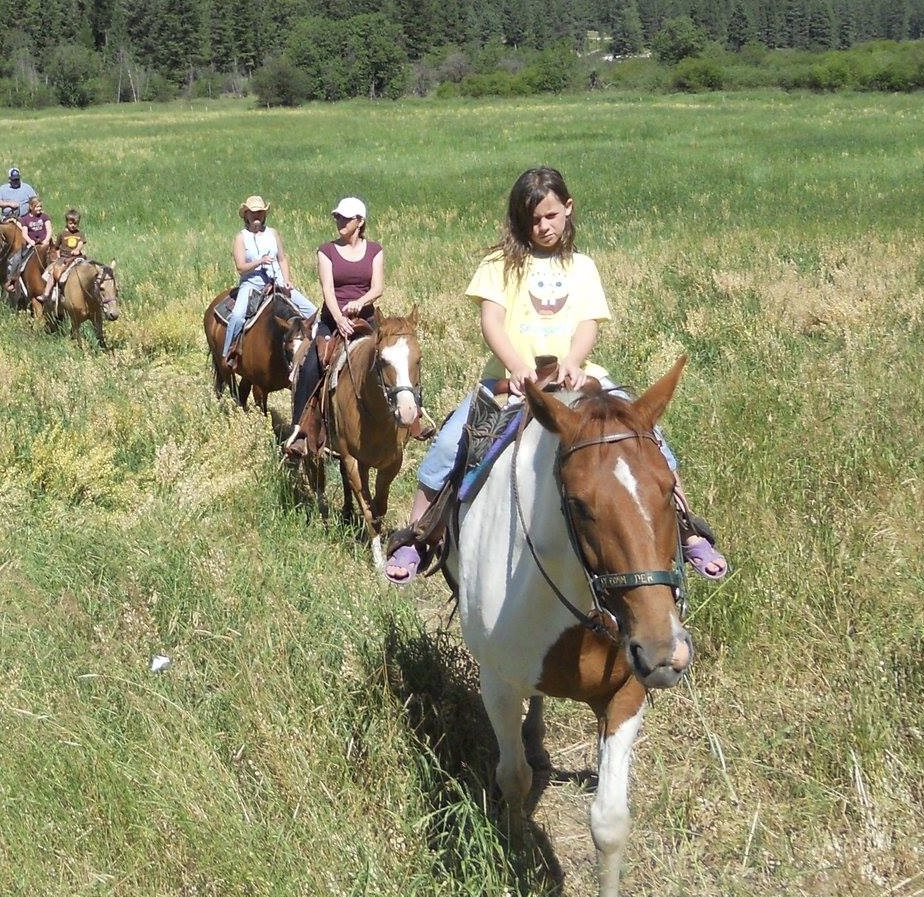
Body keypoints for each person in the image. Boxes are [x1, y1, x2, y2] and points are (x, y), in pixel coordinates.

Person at [383, 166, 728, 584]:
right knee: (450, 443)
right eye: (532, 219)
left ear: (568, 209)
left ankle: (686, 526)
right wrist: (516, 365)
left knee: (646, 435)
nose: (543, 226)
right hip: (511, 382)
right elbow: (491, 320)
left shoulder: (582, 267)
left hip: (575, 377)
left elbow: (588, 323)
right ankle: (417, 534)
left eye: (550, 216)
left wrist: (574, 361)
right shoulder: (500, 264)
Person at [282, 196, 384, 458]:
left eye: (345, 218)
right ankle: (300, 430)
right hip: (332, 320)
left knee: (392, 360)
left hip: (365, 319)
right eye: (337, 217)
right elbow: (328, 288)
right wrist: (339, 318)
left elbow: (377, 288)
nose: (339, 221)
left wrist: (359, 303)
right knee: (311, 367)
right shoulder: (326, 251)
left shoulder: (374, 250)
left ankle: (410, 419)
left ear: (359, 222)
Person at [222, 195, 317, 363]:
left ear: (264, 215)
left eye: (260, 212)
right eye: (252, 213)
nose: (256, 216)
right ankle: (228, 354)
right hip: (252, 284)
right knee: (237, 317)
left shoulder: (272, 233)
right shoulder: (241, 237)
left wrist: (287, 280)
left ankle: (314, 351)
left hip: (277, 282)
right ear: (246, 215)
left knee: (311, 311)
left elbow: (282, 258)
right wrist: (260, 261)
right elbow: (240, 267)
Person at [40, 207, 88, 308]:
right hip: (64, 257)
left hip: (77, 257)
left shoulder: (80, 234)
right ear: (66, 222)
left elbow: (80, 243)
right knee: (55, 272)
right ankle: (47, 293)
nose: (73, 226)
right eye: (71, 223)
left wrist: (77, 249)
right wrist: (58, 257)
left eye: (75, 224)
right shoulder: (62, 234)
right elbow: (57, 247)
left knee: (87, 269)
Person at [5, 195, 52, 292]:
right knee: (17, 257)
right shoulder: (25, 219)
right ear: (31, 207)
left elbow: (49, 230)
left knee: (55, 256)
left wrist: (46, 240)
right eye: (37, 206)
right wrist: (30, 241)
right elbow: (24, 233)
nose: (39, 209)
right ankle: (12, 280)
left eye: (40, 206)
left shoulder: (45, 217)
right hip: (32, 245)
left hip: (45, 244)